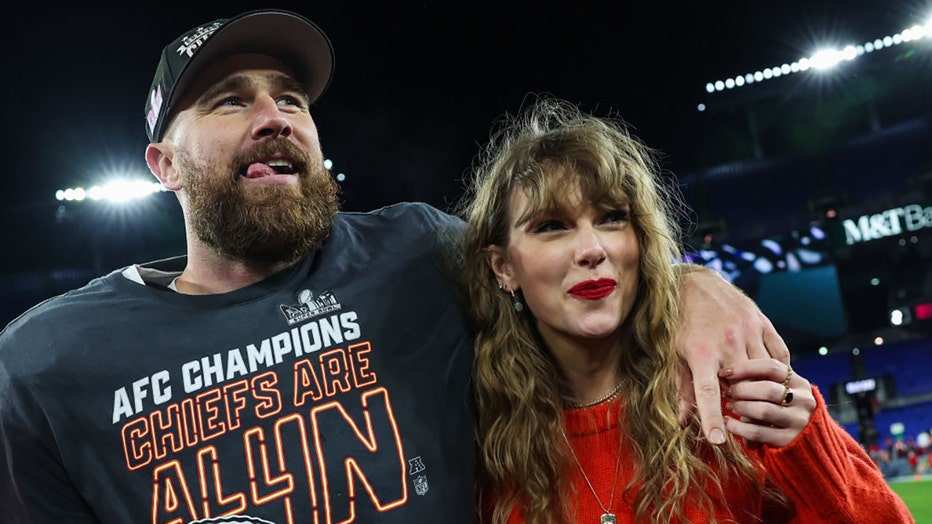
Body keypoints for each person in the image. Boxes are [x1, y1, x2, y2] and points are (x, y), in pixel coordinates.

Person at [1, 9, 787, 524]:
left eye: (292, 99)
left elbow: (566, 260)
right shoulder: (46, 362)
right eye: (229, 101)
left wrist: (691, 283)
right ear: (162, 164)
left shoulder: (417, 252)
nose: (275, 115)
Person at [457, 96, 914, 523]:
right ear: (503, 267)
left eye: (612, 217)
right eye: (552, 226)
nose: (592, 249)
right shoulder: (475, 440)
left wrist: (808, 448)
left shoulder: (726, 393)